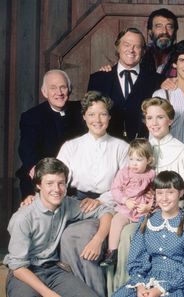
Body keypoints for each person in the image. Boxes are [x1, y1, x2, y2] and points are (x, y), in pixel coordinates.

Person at [110, 97, 184, 292]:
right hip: (135, 211)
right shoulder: (138, 149)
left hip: (168, 215)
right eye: (149, 118)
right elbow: (122, 183)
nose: (154, 123)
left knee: (130, 234)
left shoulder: (183, 151)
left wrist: (160, 209)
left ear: (170, 120)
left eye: (160, 117)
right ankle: (128, 286)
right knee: (120, 227)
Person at [4, 157, 112, 297]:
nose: (56, 189)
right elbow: (17, 267)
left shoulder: (67, 204)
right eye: (49, 183)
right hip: (24, 274)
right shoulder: (23, 218)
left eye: (61, 183)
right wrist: (48, 293)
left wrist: (98, 239)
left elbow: (106, 212)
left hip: (54, 271)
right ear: (38, 185)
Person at [56, 90, 129, 296]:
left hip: (109, 204)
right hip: (76, 203)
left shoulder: (121, 148)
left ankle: (96, 293)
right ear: (84, 117)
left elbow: (125, 185)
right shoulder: (71, 146)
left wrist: (101, 201)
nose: (97, 119)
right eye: (91, 114)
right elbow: (57, 180)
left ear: (109, 117)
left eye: (102, 114)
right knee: (65, 237)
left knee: (81, 236)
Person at [113, 170, 184, 297]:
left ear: (181, 193)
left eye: (170, 192)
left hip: (176, 285)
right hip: (146, 281)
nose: (164, 198)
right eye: (160, 193)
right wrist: (140, 286)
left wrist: (160, 289)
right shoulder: (146, 221)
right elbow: (136, 261)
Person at [16, 69, 84, 199]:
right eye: (53, 88)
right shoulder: (31, 117)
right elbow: (27, 150)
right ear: (44, 92)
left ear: (69, 89)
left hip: (75, 178)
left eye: (63, 87)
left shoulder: (82, 110)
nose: (59, 92)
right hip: (43, 175)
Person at [87, 27, 164, 140]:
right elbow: (89, 116)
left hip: (143, 150)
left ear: (143, 51)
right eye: (126, 45)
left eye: (137, 46)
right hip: (107, 148)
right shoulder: (98, 79)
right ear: (117, 47)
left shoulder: (157, 80)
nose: (131, 50)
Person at [101, 138, 156, 267]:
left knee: (146, 229)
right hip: (126, 209)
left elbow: (156, 194)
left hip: (142, 211)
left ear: (148, 160)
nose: (134, 164)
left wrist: (148, 206)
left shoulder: (152, 174)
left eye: (139, 160)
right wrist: (125, 200)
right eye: (131, 159)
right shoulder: (124, 172)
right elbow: (115, 189)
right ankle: (112, 252)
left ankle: (145, 259)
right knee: (116, 222)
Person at [143, 8, 179, 77]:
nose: (164, 31)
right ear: (150, 32)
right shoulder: (141, 54)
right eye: (159, 26)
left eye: (169, 27)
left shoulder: (182, 56)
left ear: (175, 32)